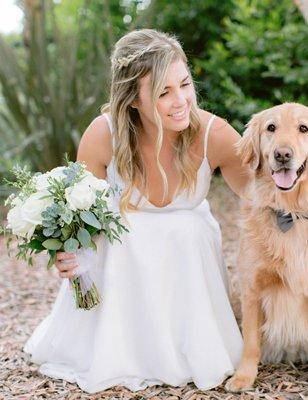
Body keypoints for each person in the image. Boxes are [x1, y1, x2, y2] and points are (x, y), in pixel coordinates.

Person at [24, 29, 248, 393]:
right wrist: (65, 252)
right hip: (118, 261)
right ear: (132, 99)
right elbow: (76, 214)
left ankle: (191, 345)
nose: (181, 101)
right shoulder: (103, 133)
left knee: (187, 228)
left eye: (185, 85)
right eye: (163, 92)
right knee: (124, 227)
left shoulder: (215, 134)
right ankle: (116, 345)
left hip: (187, 261)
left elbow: (264, 200)